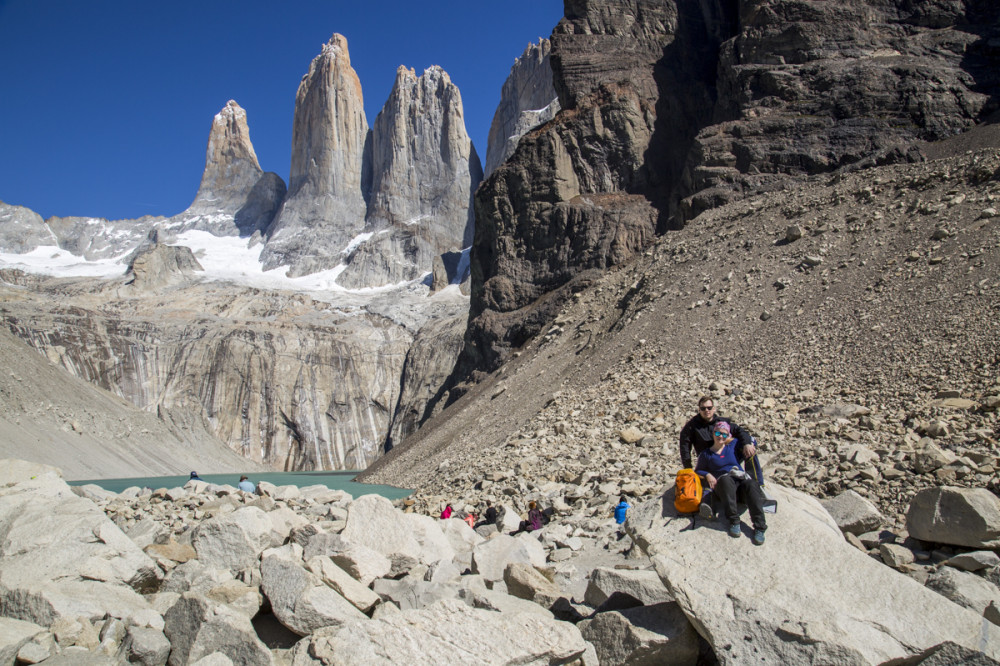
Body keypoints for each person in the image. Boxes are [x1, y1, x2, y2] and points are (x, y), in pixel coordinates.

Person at [695, 421, 767, 545]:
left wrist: (746, 444)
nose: (720, 436)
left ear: (728, 435)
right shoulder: (706, 454)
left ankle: (760, 527)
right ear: (713, 434)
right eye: (717, 433)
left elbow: (750, 439)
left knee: (751, 484)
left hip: (739, 484)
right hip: (723, 488)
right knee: (725, 479)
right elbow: (698, 470)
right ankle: (734, 521)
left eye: (724, 434)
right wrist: (708, 474)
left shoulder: (732, 446)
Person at [679, 396, 755, 469]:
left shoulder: (722, 423)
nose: (706, 410)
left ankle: (755, 479)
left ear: (714, 409)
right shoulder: (692, 426)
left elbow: (739, 430)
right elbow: (684, 446)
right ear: (699, 410)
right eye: (703, 408)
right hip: (708, 459)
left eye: (709, 408)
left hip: (725, 455)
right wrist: (687, 467)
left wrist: (747, 444)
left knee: (750, 443)